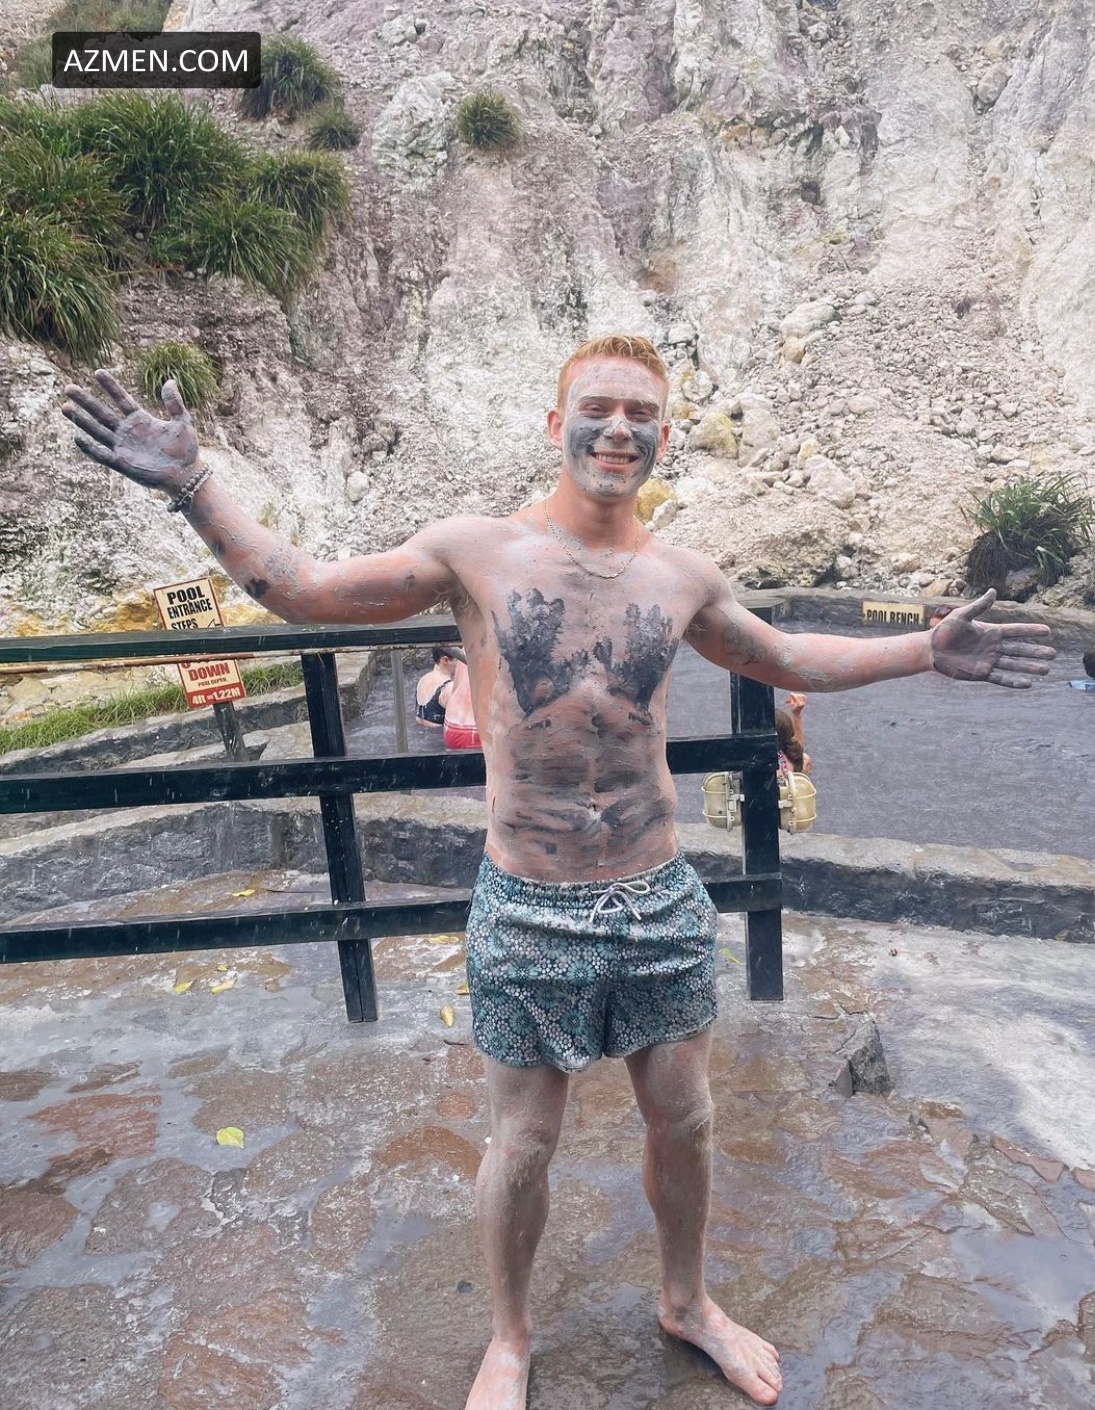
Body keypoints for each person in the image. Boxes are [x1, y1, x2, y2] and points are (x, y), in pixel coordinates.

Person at [61, 334, 1055, 1409]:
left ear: (663, 437)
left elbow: (782, 657)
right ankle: (508, 1336)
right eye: (598, 408)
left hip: (657, 893)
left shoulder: (681, 576)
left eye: (642, 414)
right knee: (525, 1140)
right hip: (528, 901)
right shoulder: (475, 552)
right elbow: (301, 590)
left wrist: (920, 650)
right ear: (555, 424)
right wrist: (196, 487)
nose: (619, 429)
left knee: (687, 1118)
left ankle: (687, 1303)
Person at [442, 656, 482, 750]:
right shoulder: (506, 649)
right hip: (477, 729)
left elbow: (455, 688)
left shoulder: (465, 649)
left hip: (452, 725)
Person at [416, 645, 460, 728]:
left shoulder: (423, 679)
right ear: (445, 660)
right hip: (439, 734)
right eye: (459, 660)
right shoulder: (449, 688)